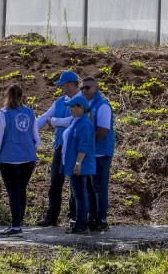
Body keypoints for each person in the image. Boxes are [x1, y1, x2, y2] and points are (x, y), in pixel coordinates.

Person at [0, 84, 40, 237]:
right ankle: (18, 223)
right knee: (21, 190)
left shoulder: (3, 113)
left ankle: (16, 225)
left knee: (12, 192)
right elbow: (36, 139)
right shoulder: (30, 113)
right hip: (28, 158)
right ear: (21, 96)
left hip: (8, 158)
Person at [35, 70, 80, 227]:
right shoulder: (60, 102)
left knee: (75, 183)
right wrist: (30, 129)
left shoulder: (82, 100)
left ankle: (73, 216)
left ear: (70, 85)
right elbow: (44, 118)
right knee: (55, 182)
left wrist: (54, 121)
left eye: (63, 85)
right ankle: (51, 217)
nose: (61, 88)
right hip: (60, 147)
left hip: (75, 148)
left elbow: (74, 120)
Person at [81, 76, 115, 232]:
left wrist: (90, 146)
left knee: (99, 187)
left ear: (96, 88)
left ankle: (102, 218)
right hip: (91, 153)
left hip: (101, 153)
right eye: (82, 88)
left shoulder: (102, 105)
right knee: (89, 187)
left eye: (87, 88)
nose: (84, 90)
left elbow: (103, 129)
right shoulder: (87, 105)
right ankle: (92, 217)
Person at [61, 95, 96, 234]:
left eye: (73, 107)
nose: (71, 109)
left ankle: (81, 224)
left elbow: (84, 146)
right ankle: (80, 223)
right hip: (74, 165)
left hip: (80, 165)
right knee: (79, 195)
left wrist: (78, 163)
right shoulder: (77, 121)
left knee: (80, 195)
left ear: (81, 108)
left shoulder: (84, 124)